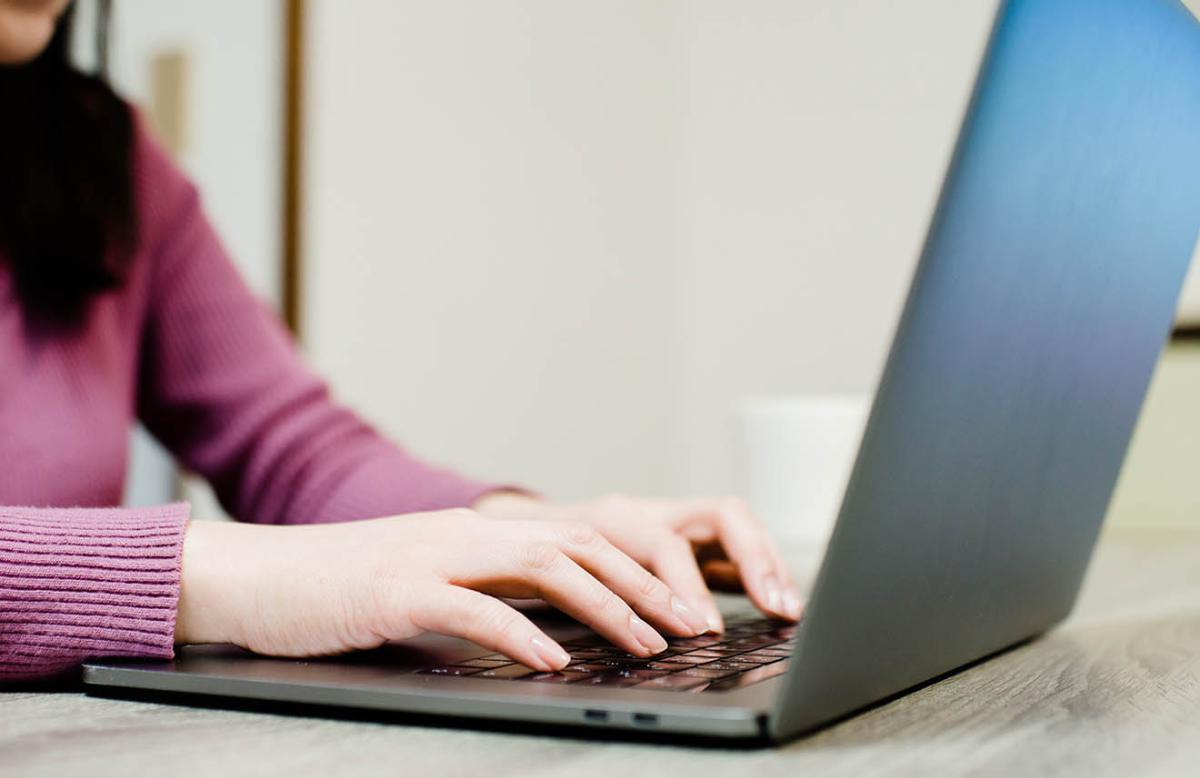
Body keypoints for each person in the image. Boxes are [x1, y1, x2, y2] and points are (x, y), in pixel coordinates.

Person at [0, 0, 801, 683]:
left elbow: (287, 449)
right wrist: (219, 576)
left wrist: (531, 531)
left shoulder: (96, 152)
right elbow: (261, 562)